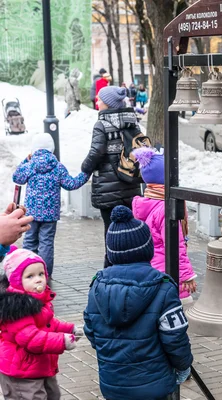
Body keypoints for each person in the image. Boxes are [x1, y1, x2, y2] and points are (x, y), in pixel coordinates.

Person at [84, 206, 193, 400]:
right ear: (147, 249)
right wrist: (183, 365)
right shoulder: (164, 288)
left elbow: (91, 331)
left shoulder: (97, 287)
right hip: (155, 385)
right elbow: (175, 337)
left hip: (113, 384)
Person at [0, 248, 80, 400]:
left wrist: (69, 329)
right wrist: (61, 341)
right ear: (17, 280)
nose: (38, 279)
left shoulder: (39, 301)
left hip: (38, 366)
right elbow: (31, 338)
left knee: (53, 394)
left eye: (41, 274)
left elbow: (48, 324)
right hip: (21, 371)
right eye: (30, 276)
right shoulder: (17, 308)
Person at [81, 86, 142, 268]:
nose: (97, 102)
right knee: (129, 227)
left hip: (108, 188)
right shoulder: (133, 122)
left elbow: (96, 151)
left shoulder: (102, 124)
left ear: (107, 103)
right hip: (130, 185)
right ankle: (130, 264)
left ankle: (111, 267)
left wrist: (85, 167)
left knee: (111, 229)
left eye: (100, 99)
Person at [13, 133, 89, 277]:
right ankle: (44, 274)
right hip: (50, 214)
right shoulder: (58, 167)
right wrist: (86, 173)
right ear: (51, 149)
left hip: (31, 213)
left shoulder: (30, 165)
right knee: (46, 244)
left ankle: (28, 273)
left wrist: (25, 160)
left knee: (29, 242)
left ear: (34, 149)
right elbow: (71, 184)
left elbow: (17, 178)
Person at [131, 147, 197, 306]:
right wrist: (186, 277)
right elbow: (176, 246)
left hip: (151, 273)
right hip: (169, 274)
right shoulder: (165, 209)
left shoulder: (147, 204)